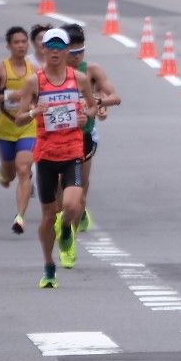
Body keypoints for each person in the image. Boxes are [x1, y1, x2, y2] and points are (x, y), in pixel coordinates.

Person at [13, 28, 98, 287]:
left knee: (72, 204)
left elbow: (93, 105)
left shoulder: (79, 78)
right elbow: (18, 118)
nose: (56, 50)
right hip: (46, 155)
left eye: (60, 46)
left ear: (66, 49)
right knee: (48, 215)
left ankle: (65, 230)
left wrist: (87, 115)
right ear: (44, 50)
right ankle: (49, 266)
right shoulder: (34, 82)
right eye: (51, 46)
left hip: (72, 150)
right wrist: (33, 113)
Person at [64, 23, 121, 233]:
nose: (77, 57)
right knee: (60, 189)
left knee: (80, 188)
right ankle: (67, 219)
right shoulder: (49, 73)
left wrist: (98, 103)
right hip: (56, 138)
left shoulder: (91, 70)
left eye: (81, 51)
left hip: (83, 135)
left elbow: (115, 97)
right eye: (73, 52)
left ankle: (70, 239)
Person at [0, 25, 38, 234]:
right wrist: (7, 96)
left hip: (28, 127)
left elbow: (42, 93)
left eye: (24, 42)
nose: (21, 46)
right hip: (6, 129)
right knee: (9, 174)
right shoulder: (1, 69)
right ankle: (4, 175)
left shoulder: (34, 70)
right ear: (9, 46)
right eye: (16, 42)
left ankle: (20, 217)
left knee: (24, 170)